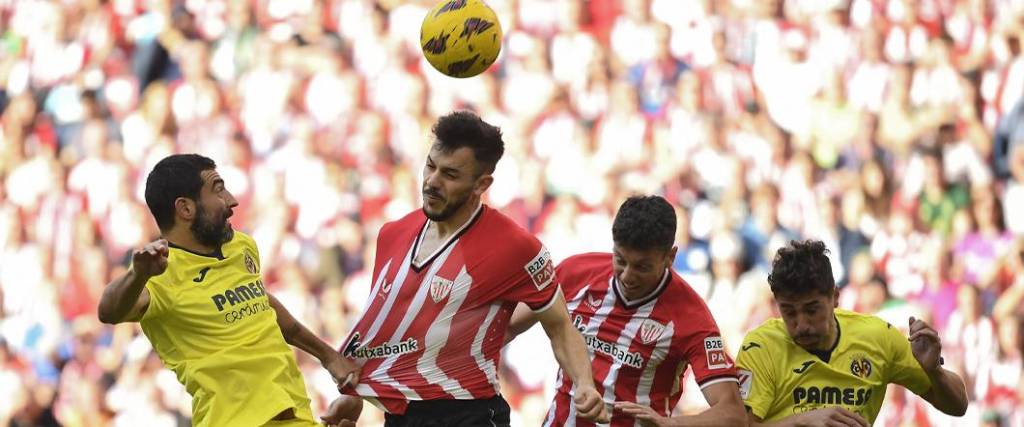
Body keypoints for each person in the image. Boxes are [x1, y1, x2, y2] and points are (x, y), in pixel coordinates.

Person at [321, 111, 608, 427]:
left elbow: (560, 327)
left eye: (450, 174)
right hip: (401, 417)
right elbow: (384, 328)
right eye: (430, 166)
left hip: (470, 414)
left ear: (481, 184)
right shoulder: (393, 234)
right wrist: (354, 394)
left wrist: (584, 383)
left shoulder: (515, 247)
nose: (432, 181)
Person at [98, 154, 358, 427]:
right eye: (218, 189)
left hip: (298, 415)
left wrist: (329, 357)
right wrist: (137, 274)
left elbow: (263, 305)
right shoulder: (159, 274)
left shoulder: (241, 246)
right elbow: (108, 311)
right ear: (185, 209)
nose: (232, 200)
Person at [506, 195, 746, 426]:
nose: (627, 276)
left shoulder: (691, 317)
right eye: (620, 260)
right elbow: (508, 328)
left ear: (670, 257)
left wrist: (671, 424)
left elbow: (732, 414)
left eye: (642, 266)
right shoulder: (575, 273)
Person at [737, 240, 968, 426]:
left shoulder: (878, 338)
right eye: (789, 311)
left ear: (835, 297)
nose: (801, 324)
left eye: (811, 309)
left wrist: (934, 372)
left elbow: (958, 406)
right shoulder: (761, 347)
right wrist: (802, 421)